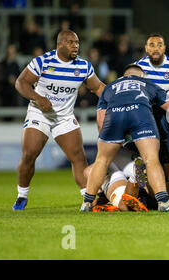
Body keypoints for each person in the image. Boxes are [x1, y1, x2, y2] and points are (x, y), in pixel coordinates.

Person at [12, 30, 105, 210]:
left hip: (64, 117)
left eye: (77, 42)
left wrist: (119, 95)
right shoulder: (43, 61)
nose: (75, 46)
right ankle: (22, 195)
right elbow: (21, 83)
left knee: (78, 157)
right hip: (40, 114)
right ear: (59, 44)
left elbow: (98, 87)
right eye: (70, 42)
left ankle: (87, 199)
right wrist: (38, 99)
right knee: (29, 155)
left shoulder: (83, 67)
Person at [80, 64, 169, 213]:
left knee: (101, 160)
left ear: (124, 75)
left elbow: (101, 123)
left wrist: (116, 137)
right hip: (140, 114)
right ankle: (163, 202)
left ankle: (87, 202)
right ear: (142, 75)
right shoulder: (148, 83)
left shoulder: (108, 88)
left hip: (114, 116)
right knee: (151, 159)